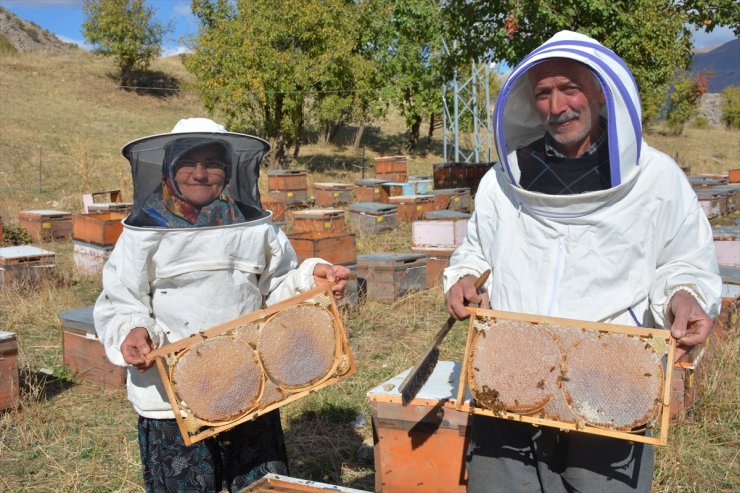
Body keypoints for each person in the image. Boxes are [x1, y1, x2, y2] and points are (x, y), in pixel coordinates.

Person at [443, 31, 721, 493]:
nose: (557, 107)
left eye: (569, 88)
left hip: (609, 379)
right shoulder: (503, 181)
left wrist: (686, 295)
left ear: (599, 93)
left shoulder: (656, 180)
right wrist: (465, 277)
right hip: (511, 374)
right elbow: (475, 250)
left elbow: (684, 259)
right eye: (543, 94)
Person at [94, 118, 350, 492]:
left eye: (212, 162)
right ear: (169, 168)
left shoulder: (254, 227)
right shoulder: (143, 232)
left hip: (249, 380)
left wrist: (311, 281)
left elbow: (278, 284)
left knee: (257, 485)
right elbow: (121, 300)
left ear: (229, 171)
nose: (200, 173)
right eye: (188, 163)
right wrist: (133, 331)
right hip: (173, 397)